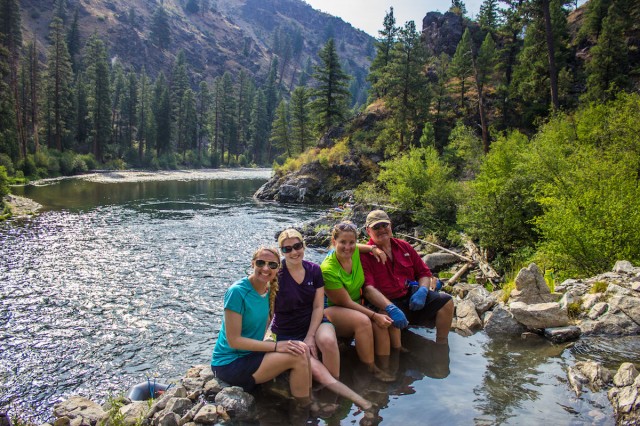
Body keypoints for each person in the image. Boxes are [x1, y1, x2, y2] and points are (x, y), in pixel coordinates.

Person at [272, 229, 375, 414]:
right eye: (287, 249)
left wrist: (310, 336)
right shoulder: (275, 274)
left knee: (327, 340)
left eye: (297, 246)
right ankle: (359, 401)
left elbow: (319, 307)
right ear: (281, 251)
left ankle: (331, 395)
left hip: (316, 320)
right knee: (319, 372)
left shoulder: (314, 270)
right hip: (288, 330)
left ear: (304, 245)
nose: (294, 252)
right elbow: (268, 310)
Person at [211, 246, 312, 406]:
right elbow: (234, 341)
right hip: (229, 363)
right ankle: (304, 409)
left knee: (301, 348)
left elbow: (265, 328)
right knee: (297, 358)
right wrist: (277, 346)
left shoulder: (269, 289)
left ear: (278, 269)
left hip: (250, 354)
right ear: (252, 264)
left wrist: (273, 341)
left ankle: (307, 398)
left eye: (272, 265)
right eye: (260, 263)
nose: (266, 268)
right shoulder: (237, 292)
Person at [320, 221, 408, 382]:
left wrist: (373, 248)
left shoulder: (353, 252)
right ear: (334, 242)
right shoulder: (328, 269)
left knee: (385, 319)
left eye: (351, 242)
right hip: (333, 310)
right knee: (364, 321)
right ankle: (370, 368)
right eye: (342, 243)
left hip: (355, 305)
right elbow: (345, 302)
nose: (348, 247)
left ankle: (388, 365)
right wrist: (374, 315)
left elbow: (359, 247)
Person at [360, 210, 454, 344]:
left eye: (384, 225)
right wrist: (390, 308)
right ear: (368, 231)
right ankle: (393, 358)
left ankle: (441, 345)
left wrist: (423, 290)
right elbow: (369, 290)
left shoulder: (404, 246)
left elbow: (424, 273)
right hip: (386, 303)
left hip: (411, 298)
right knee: (385, 318)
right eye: (376, 227)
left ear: (390, 226)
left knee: (446, 301)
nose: (382, 230)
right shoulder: (364, 255)